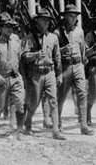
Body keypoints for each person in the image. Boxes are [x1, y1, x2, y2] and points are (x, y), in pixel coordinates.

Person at [21, 9, 65, 140]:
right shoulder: (29, 38)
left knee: (53, 101)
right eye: (43, 19)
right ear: (37, 21)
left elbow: (57, 57)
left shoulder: (53, 37)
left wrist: (59, 74)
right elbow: (24, 56)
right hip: (36, 73)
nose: (46, 22)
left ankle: (56, 130)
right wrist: (35, 55)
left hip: (50, 72)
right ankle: (27, 123)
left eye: (48, 20)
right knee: (34, 102)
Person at [54, 4, 94, 135]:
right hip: (64, 66)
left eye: (75, 16)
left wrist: (83, 64)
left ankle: (84, 125)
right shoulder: (57, 32)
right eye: (71, 16)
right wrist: (62, 50)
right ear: (65, 17)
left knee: (82, 94)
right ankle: (58, 123)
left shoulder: (79, 31)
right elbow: (53, 53)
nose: (73, 18)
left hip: (78, 66)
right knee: (61, 96)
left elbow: (82, 49)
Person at [0, 12, 26, 138]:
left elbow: (21, 58)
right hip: (2, 78)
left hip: (16, 77)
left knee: (20, 103)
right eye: (7, 26)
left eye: (11, 27)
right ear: (0, 28)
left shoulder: (16, 41)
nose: (10, 29)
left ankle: (19, 130)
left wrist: (23, 77)